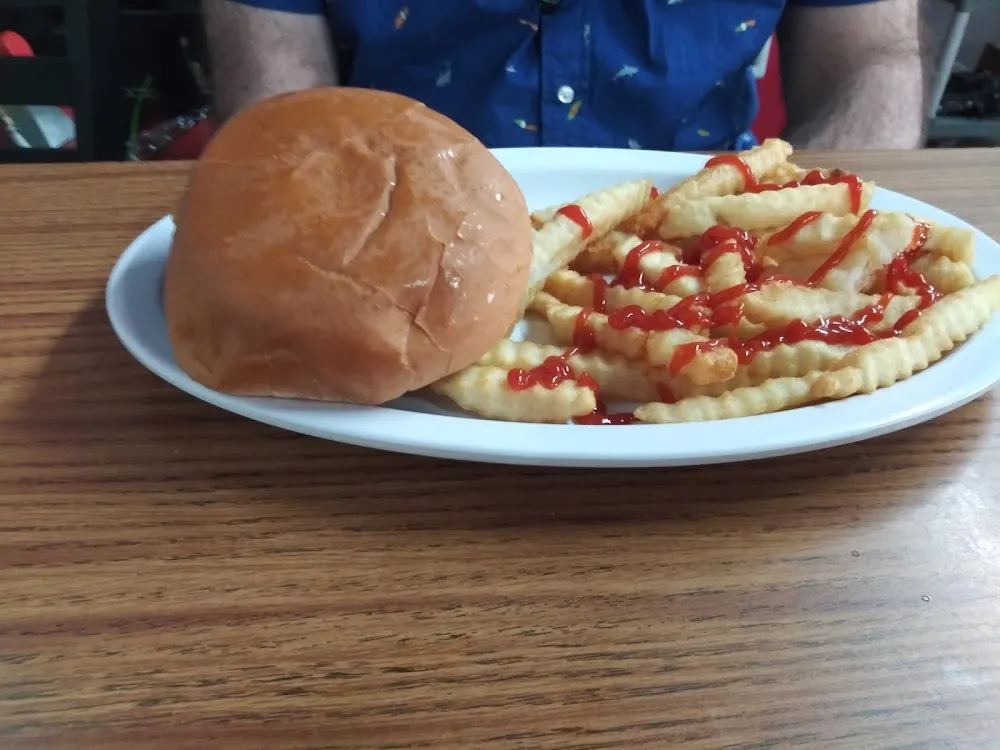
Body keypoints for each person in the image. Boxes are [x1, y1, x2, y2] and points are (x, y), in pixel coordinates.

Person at [201, 0, 928, 153]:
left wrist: (815, 242)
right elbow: (276, 104)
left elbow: (870, 61)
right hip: (388, 239)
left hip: (717, 258)